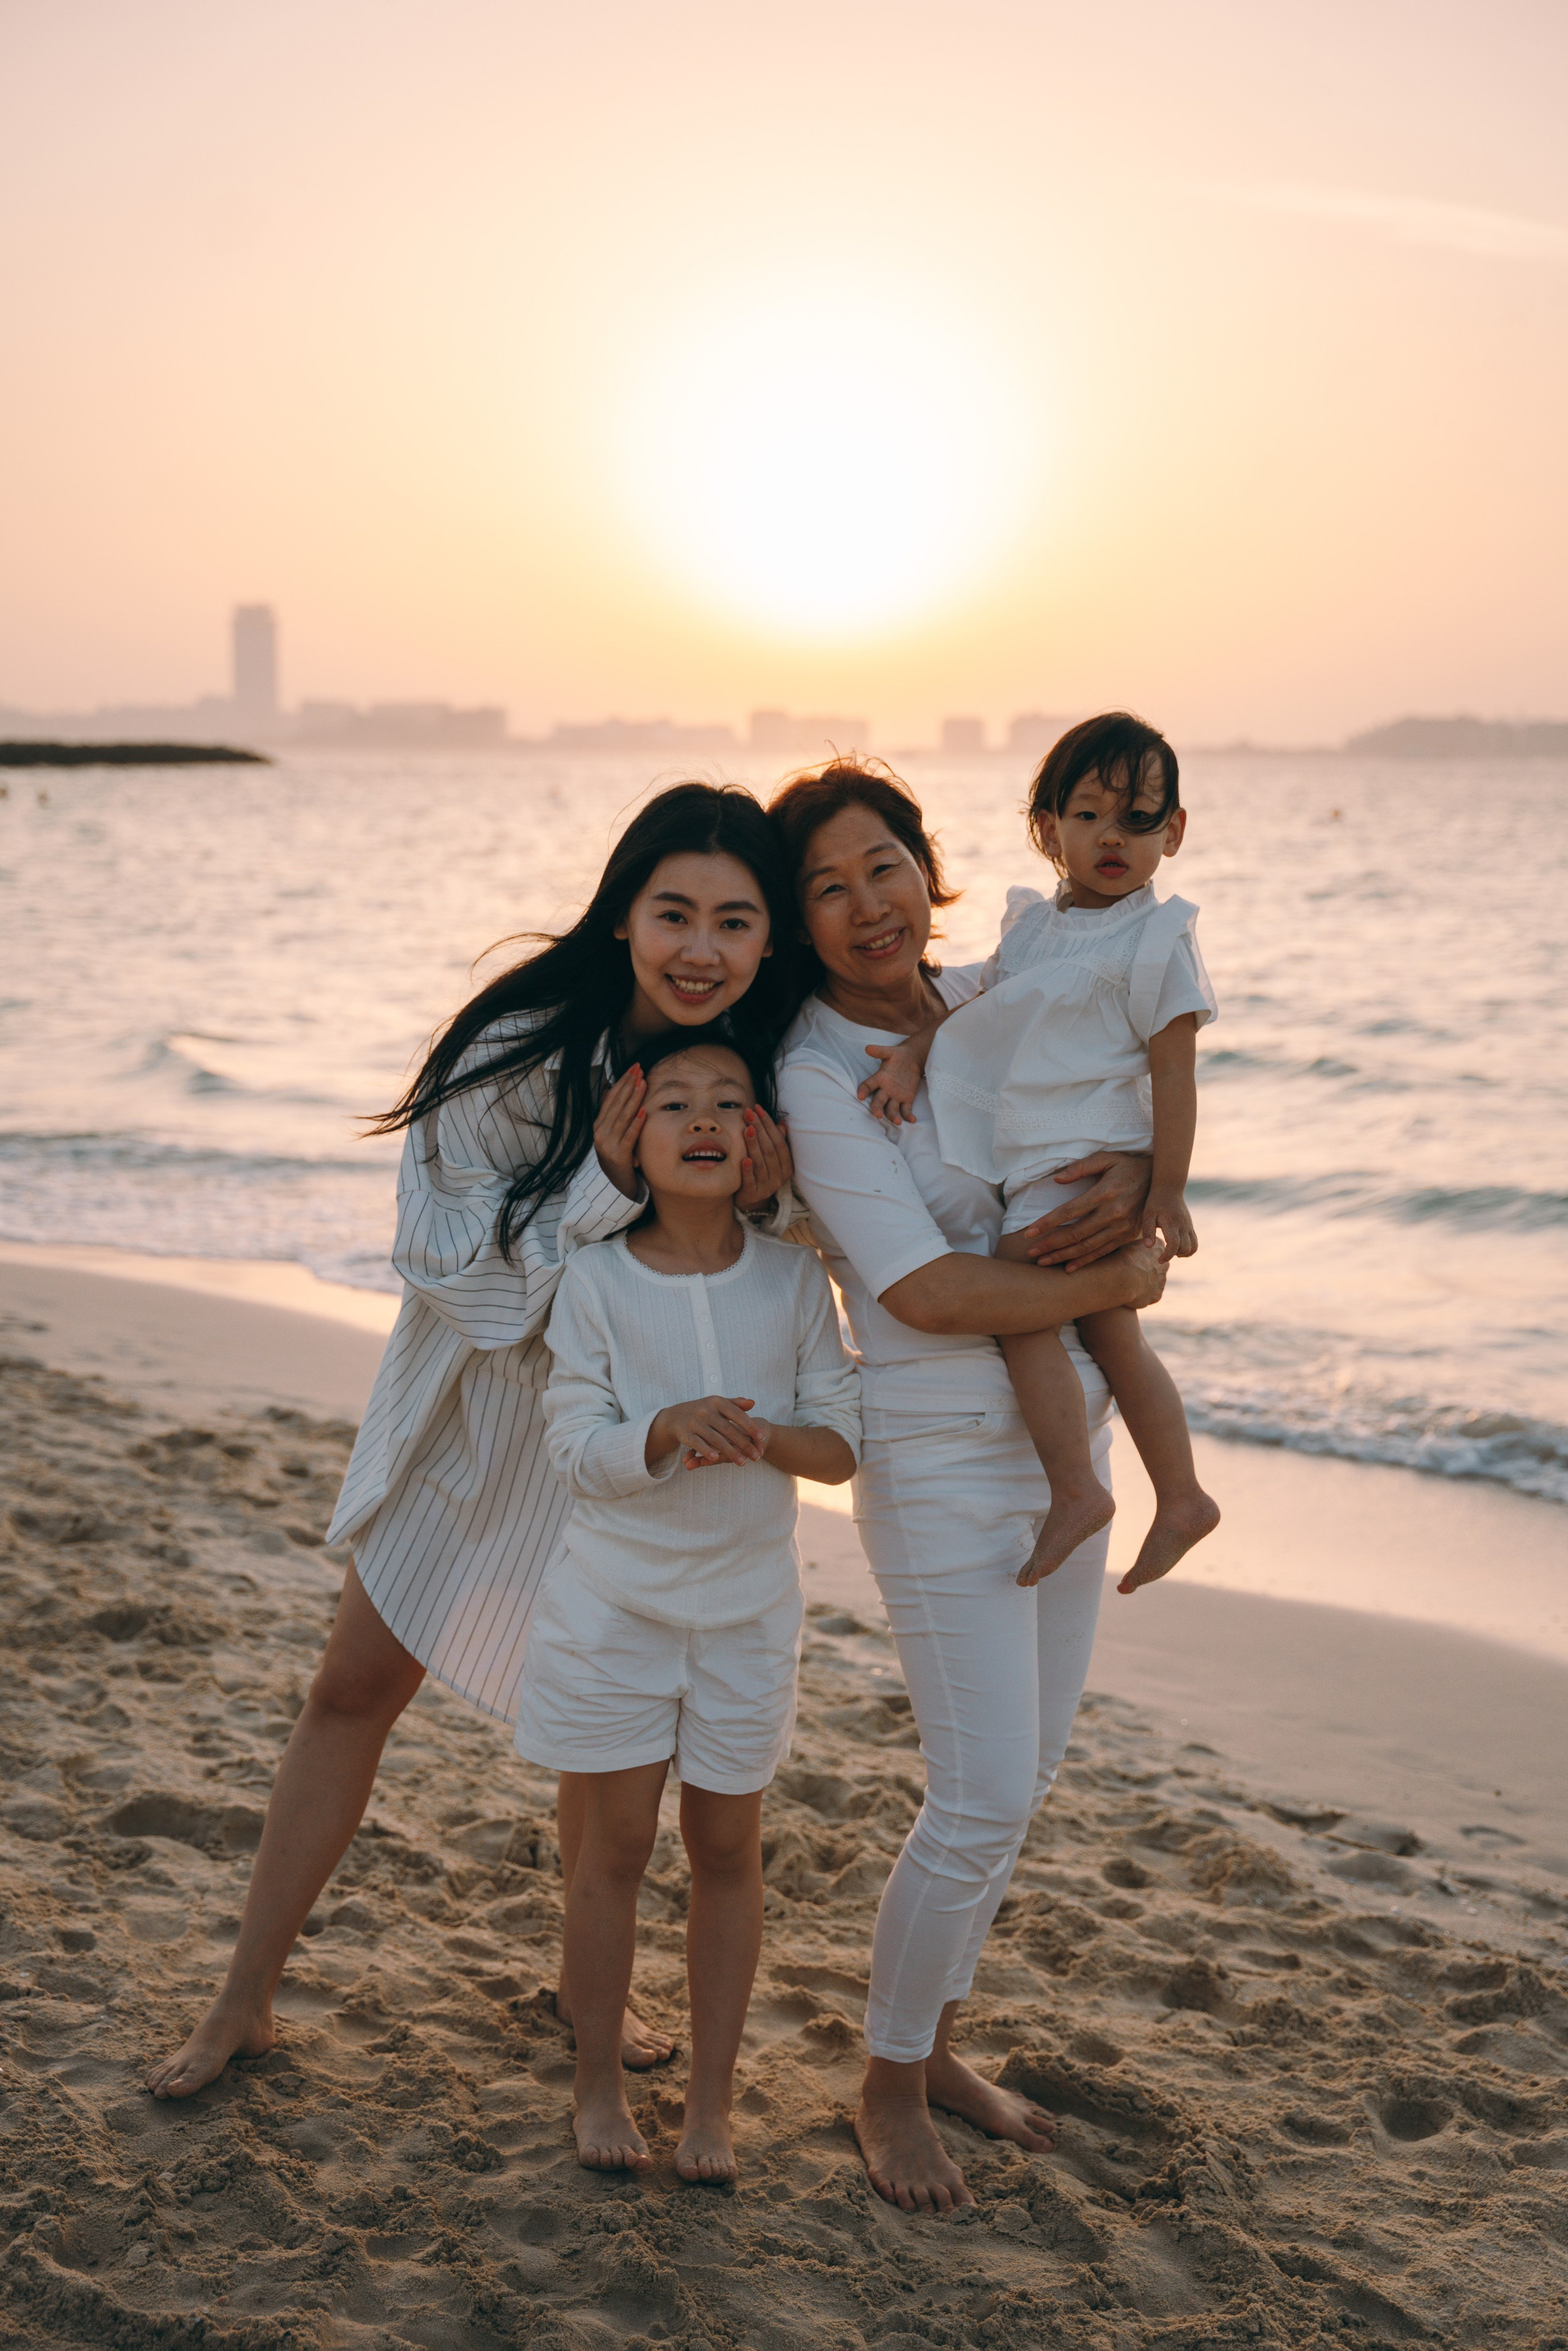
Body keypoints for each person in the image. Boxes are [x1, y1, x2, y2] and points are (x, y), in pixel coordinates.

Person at [146, 782, 797, 2102]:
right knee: (349, 1689)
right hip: (474, 1420)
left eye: (734, 921)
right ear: (622, 913)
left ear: (766, 942)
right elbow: (444, 1261)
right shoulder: (512, 1046)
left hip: (618, 1446)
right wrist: (604, 1187)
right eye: (673, 910)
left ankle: (586, 1996)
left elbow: (769, 1261)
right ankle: (244, 1995)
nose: (699, 947)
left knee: (600, 1741)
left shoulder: (748, 1076)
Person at [769, 758, 1167, 2216]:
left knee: (1027, 1782)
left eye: (882, 866)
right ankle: (882, 2082)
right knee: (979, 1789)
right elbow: (927, 1288)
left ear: (925, 867)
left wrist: (1130, 1198)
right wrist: (1117, 1269)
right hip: (937, 1461)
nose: (865, 903)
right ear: (800, 919)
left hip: (1066, 1449)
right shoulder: (813, 1074)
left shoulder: (993, 1001)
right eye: (826, 885)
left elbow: (1101, 1132)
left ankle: (932, 2046)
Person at [519, 1026, 859, 2184]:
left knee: (726, 1847)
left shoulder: (792, 1277)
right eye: (676, 1104)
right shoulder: (598, 1277)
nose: (705, 1119)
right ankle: (600, 2083)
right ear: (632, 1134)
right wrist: (663, 1430)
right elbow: (571, 1443)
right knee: (611, 1847)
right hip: (614, 1603)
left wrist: (768, 1437)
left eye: (729, 1100)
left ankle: (710, 2107)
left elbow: (844, 1440)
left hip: (747, 1611)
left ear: (759, 1133)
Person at [857, 712, 1220, 1591]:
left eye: (1139, 820)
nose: (1113, 837)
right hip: (1035, 1164)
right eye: (1091, 814)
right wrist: (911, 1054)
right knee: (1109, 1327)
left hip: (1089, 1167)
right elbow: (976, 1015)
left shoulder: (1157, 939)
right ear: (1046, 827)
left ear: (1173, 834)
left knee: (1017, 1299)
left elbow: (1175, 1073)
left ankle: (1078, 1489)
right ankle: (1179, 1494)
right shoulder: (1029, 927)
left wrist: (1166, 1187)